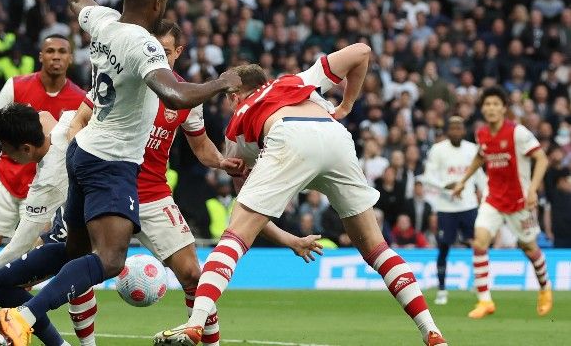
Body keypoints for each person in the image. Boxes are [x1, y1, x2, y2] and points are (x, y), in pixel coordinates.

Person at [0, 0, 240, 345]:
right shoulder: (144, 45)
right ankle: (25, 316)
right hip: (113, 161)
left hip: (83, 152)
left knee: (74, 252)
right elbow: (173, 93)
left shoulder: (102, 21)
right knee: (107, 260)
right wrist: (221, 82)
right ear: (159, 2)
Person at [154, 43, 447, 346]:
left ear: (233, 96)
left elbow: (250, 209)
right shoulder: (296, 79)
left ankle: (196, 322)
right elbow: (362, 51)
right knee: (377, 248)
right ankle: (431, 331)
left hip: (287, 134)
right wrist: (345, 105)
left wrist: (278, 236)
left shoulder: (236, 127)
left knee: (234, 235)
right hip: (335, 137)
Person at [0, 33, 89, 270]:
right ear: (41, 56)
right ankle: (5, 296)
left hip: (45, 185)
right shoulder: (16, 86)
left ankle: (17, 304)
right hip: (6, 178)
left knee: (29, 261)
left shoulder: (81, 100)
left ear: (70, 58)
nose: (56, 57)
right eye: (50, 51)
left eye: (62, 52)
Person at [452, 86, 552, 319]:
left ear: (504, 108)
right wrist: (463, 181)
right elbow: (481, 155)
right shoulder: (482, 134)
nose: (491, 108)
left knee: (529, 247)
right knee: (479, 241)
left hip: (519, 201)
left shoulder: (518, 133)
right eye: (487, 104)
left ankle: (545, 287)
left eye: (496, 104)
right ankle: (485, 300)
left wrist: (533, 190)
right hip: (493, 198)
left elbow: (542, 159)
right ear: (483, 109)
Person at [420, 116, 484, 305]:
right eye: (453, 128)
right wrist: (446, 187)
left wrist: (487, 195)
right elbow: (428, 176)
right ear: (448, 131)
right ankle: (441, 289)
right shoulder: (438, 150)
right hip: (446, 206)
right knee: (444, 246)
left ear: (464, 130)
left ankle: (480, 285)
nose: (456, 131)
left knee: (478, 243)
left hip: (469, 204)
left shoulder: (472, 149)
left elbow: (480, 176)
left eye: (459, 128)